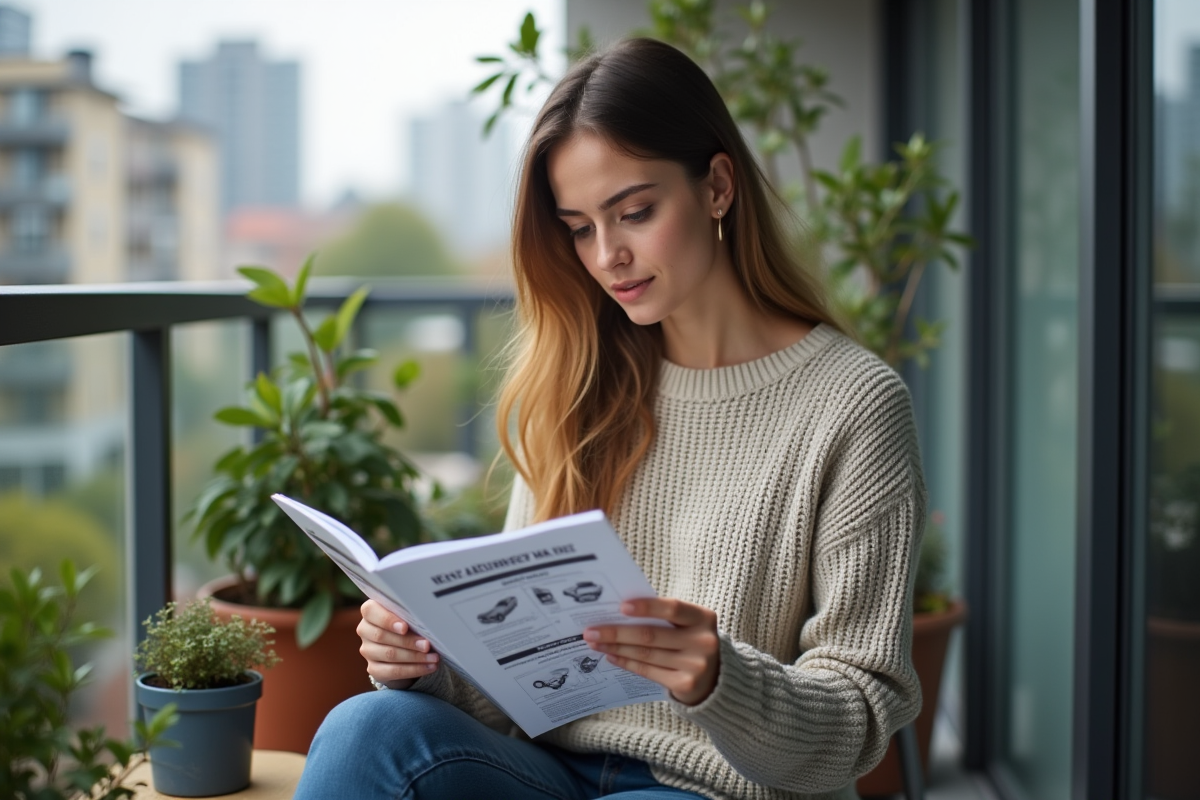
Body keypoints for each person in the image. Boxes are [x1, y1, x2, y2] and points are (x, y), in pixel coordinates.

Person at [294, 37, 925, 800]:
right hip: (554, 770)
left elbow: (859, 720)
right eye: (580, 227)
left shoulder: (853, 403)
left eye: (634, 213)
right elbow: (512, 693)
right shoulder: (580, 381)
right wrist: (427, 667)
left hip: (720, 789)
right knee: (365, 730)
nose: (607, 256)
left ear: (718, 186)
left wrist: (722, 680)